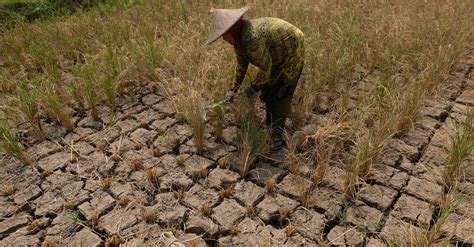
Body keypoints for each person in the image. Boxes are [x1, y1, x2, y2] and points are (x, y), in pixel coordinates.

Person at [207, 6, 304, 145]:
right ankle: (270, 123)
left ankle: (277, 133)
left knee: (281, 89)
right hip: (276, 52)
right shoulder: (239, 41)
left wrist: (252, 88)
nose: (223, 39)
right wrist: (233, 89)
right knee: (269, 88)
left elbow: (266, 69)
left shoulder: (251, 39)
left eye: (224, 34)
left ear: (232, 30)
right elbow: (241, 65)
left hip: (293, 48)